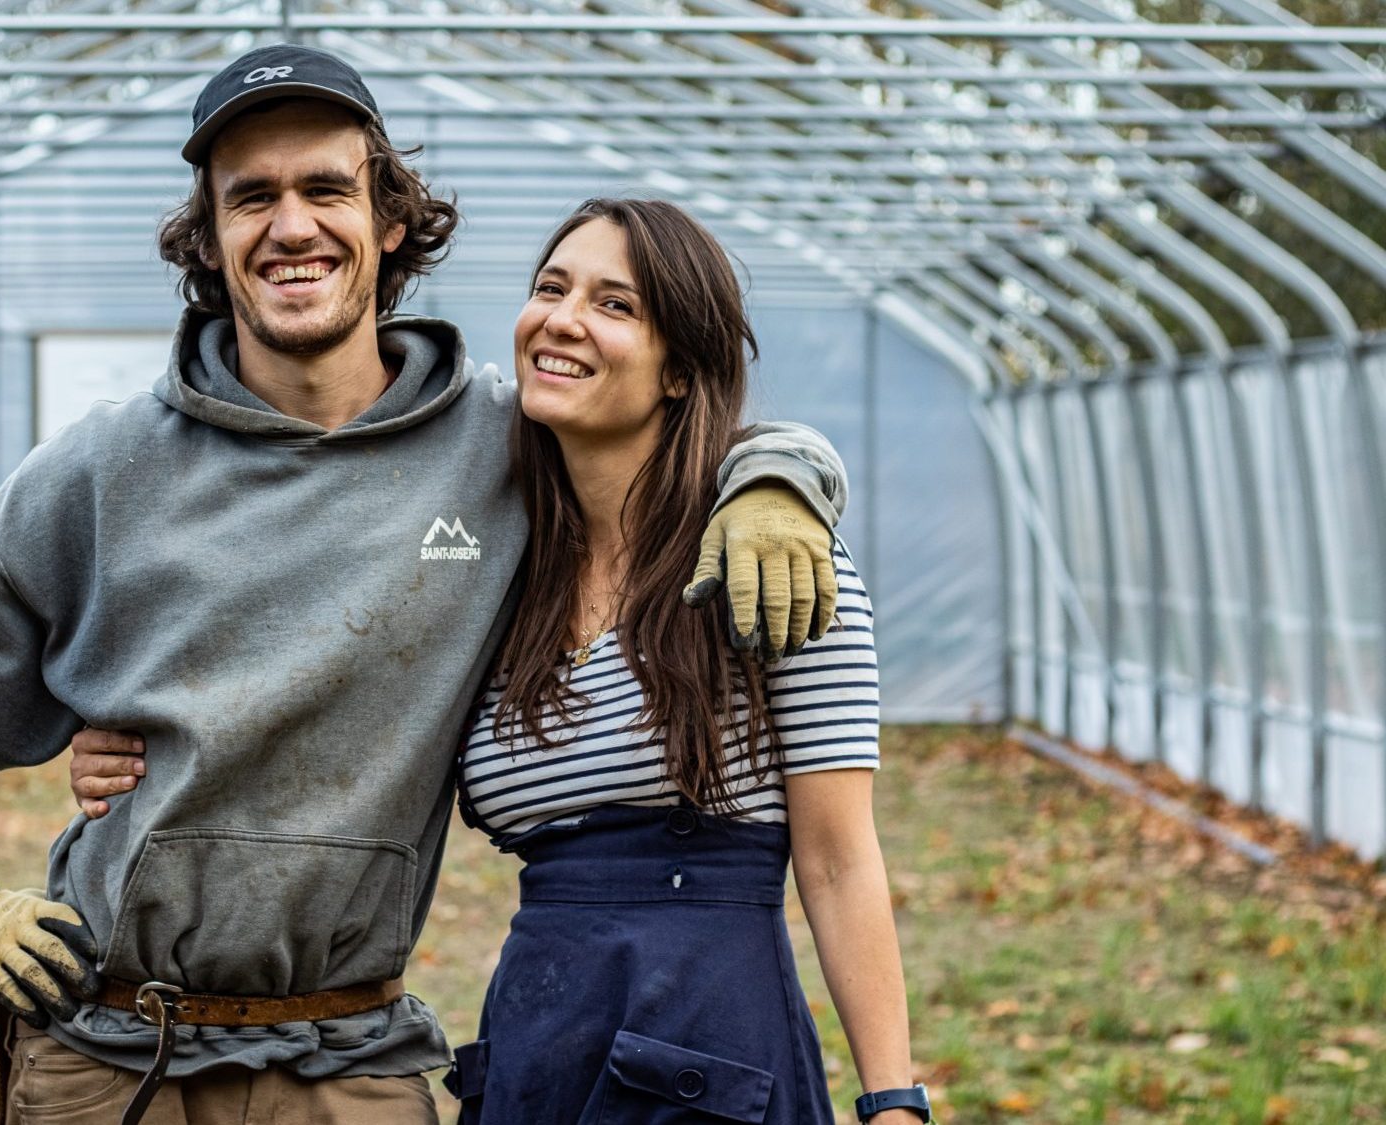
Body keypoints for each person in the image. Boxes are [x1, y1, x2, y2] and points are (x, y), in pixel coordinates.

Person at [0, 45, 852, 1125]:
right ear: (210, 241)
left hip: (350, 1061)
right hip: (107, 1056)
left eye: (325, 188)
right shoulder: (104, 467)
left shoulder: (504, 447)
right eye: (249, 198)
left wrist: (778, 476)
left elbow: (669, 420)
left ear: (390, 219)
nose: (291, 225)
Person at [73, 199, 927, 1124]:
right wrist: (141, 732)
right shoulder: (501, 567)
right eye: (550, 288)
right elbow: (329, 687)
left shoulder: (767, 560)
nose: (562, 319)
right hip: (539, 1034)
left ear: (680, 368)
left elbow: (840, 861)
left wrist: (892, 1101)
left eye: (615, 304)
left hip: (706, 1040)